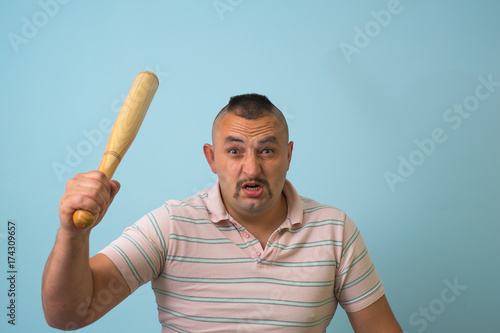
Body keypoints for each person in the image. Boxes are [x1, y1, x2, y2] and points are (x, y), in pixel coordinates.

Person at [42, 94, 402, 332]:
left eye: (267, 151)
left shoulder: (334, 231)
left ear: (288, 156)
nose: (251, 168)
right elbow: (69, 313)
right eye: (234, 152)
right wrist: (73, 235)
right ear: (212, 159)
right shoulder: (170, 225)